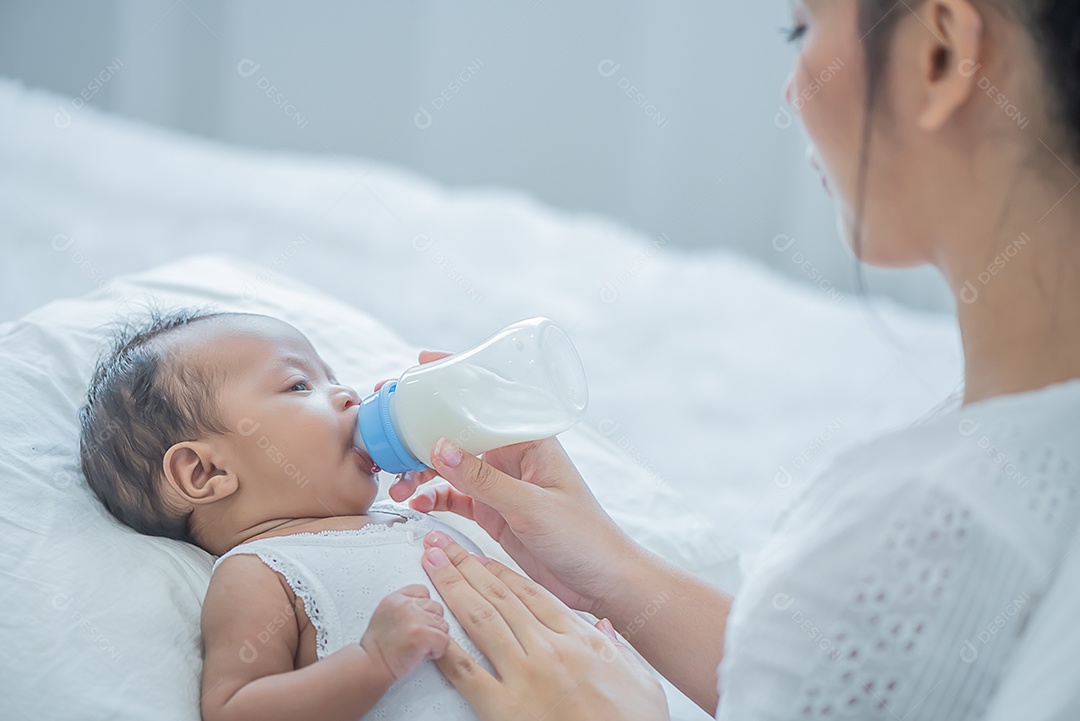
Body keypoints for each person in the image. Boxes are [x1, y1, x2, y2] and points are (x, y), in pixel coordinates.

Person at [386, 1, 1080, 719]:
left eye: (802, 29)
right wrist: (611, 571)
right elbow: (858, 685)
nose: (789, 90)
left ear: (939, 54)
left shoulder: (928, 525)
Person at [77, 310, 663, 721]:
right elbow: (236, 709)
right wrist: (371, 662)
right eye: (299, 383)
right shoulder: (260, 571)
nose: (348, 394)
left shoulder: (412, 520)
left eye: (333, 375)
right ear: (204, 474)